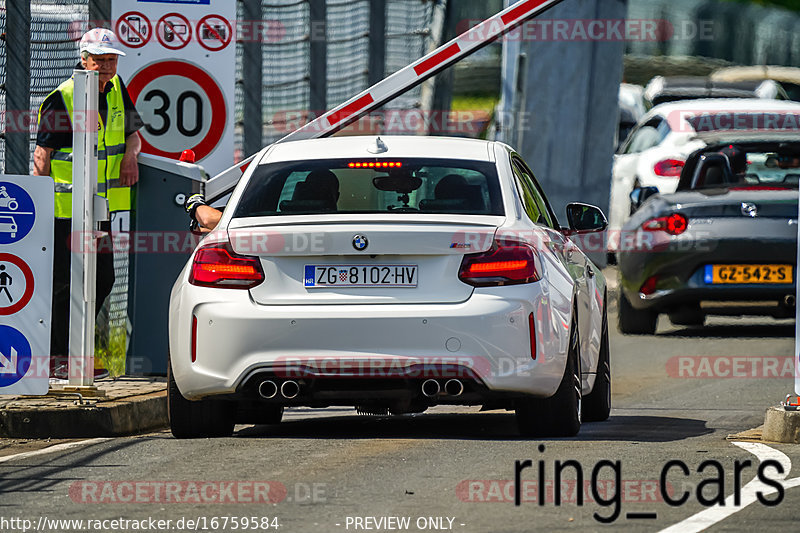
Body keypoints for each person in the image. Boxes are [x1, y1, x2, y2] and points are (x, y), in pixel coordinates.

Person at [33, 28, 144, 379]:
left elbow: (133, 135)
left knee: (103, 278)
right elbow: (42, 157)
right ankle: (57, 357)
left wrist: (130, 157)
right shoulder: (63, 97)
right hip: (63, 213)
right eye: (100, 59)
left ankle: (75, 351)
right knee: (64, 283)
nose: (108, 65)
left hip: (99, 209)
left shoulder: (115, 89)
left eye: (112, 59)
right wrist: (40, 209)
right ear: (84, 59)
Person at [184, 169, 340, 230]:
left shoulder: (261, 224)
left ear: (299, 190)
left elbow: (210, 220)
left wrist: (195, 203)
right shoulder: (338, 226)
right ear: (336, 197)